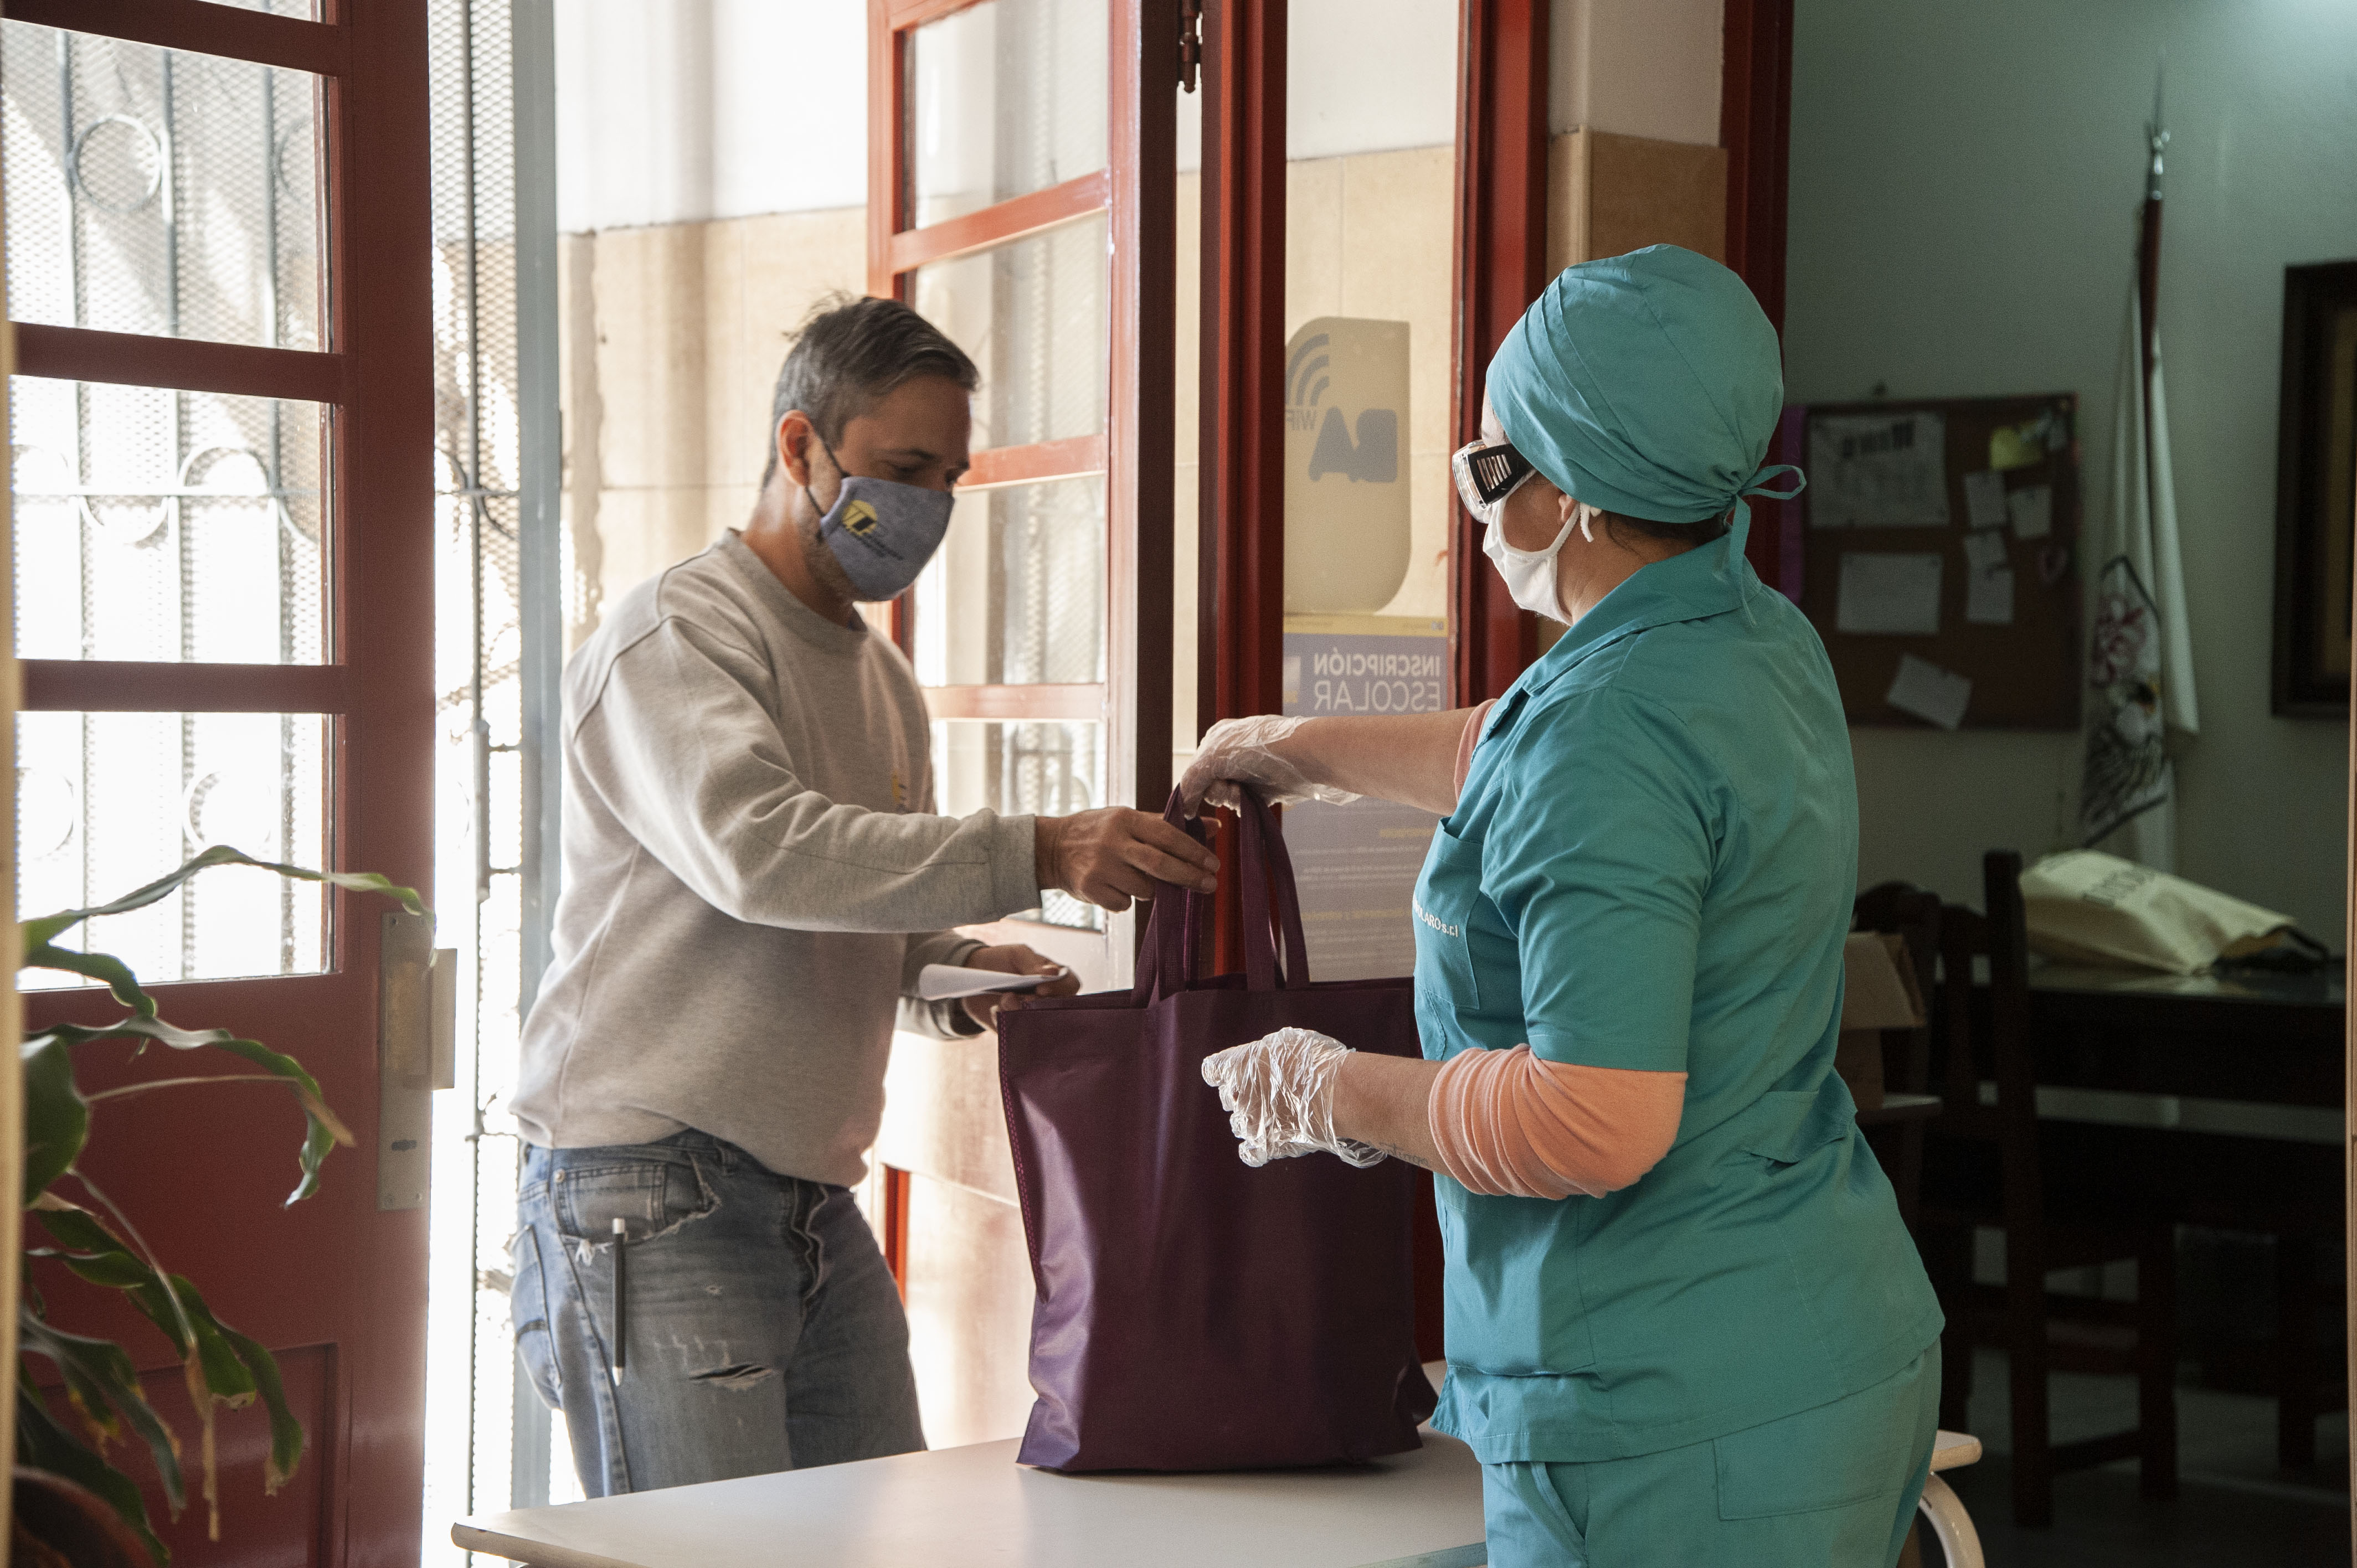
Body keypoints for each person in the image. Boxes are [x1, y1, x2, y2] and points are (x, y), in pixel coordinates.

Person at [1188, 246, 1944, 1567]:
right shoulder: (1750, 639)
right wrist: (1307, 747)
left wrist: (1331, 1092)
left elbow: (1596, 1117)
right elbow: (1536, 751)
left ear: (1577, 500)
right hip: (1821, 1344)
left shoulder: (1603, 737)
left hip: (1667, 1417)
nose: (1474, 508)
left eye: (1492, 471)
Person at [511, 295, 1219, 1497]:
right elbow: (765, 855)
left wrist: (952, 976)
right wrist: (1040, 849)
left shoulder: (879, 678)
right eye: (900, 469)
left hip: (808, 1204)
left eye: (947, 475)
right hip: (648, 1189)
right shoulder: (679, 637)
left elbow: (858, 923)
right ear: (800, 447)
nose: (926, 509)